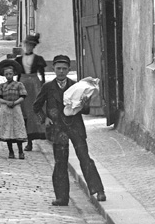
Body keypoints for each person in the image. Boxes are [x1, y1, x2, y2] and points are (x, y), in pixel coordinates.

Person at [34, 55, 107, 205]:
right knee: (60, 162)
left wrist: (85, 103)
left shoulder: (77, 86)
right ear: (53, 69)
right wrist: (44, 119)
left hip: (75, 127)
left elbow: (85, 111)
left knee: (84, 158)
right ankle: (62, 197)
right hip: (58, 129)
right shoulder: (48, 87)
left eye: (64, 69)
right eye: (58, 68)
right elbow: (36, 106)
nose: (61, 72)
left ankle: (98, 190)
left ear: (69, 69)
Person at [0, 59, 28, 159]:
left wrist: (15, 102)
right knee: (7, 130)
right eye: (6, 74)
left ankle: (20, 151)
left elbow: (23, 96)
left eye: (10, 74)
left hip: (16, 108)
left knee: (17, 129)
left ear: (14, 74)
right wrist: (6, 102)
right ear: (4, 75)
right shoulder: (2, 86)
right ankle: (11, 151)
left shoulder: (19, 85)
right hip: (5, 109)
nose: (8, 76)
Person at [19, 33, 47, 150]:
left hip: (34, 84)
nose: (28, 47)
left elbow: (42, 75)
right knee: (24, 111)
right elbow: (17, 75)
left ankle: (40, 134)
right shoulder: (19, 59)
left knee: (34, 110)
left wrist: (43, 87)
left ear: (33, 47)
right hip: (23, 83)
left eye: (31, 45)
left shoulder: (38, 59)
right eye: (27, 45)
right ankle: (27, 141)